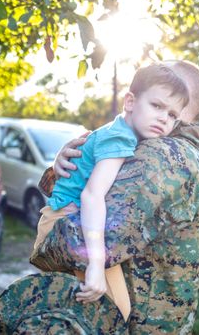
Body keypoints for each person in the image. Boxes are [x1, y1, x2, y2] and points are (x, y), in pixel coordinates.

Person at [0, 60, 199, 334]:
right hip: (160, 313)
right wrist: (65, 166)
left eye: (166, 105)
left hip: (145, 320)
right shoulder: (162, 145)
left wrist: (47, 240)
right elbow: (99, 183)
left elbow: (82, 239)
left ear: (182, 102)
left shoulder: (165, 157)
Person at [33, 62, 189, 310]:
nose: (163, 118)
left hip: (68, 221)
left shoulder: (119, 131)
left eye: (172, 115)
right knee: (117, 311)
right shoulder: (120, 137)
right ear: (129, 102)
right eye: (157, 105)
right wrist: (96, 263)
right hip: (68, 224)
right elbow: (92, 196)